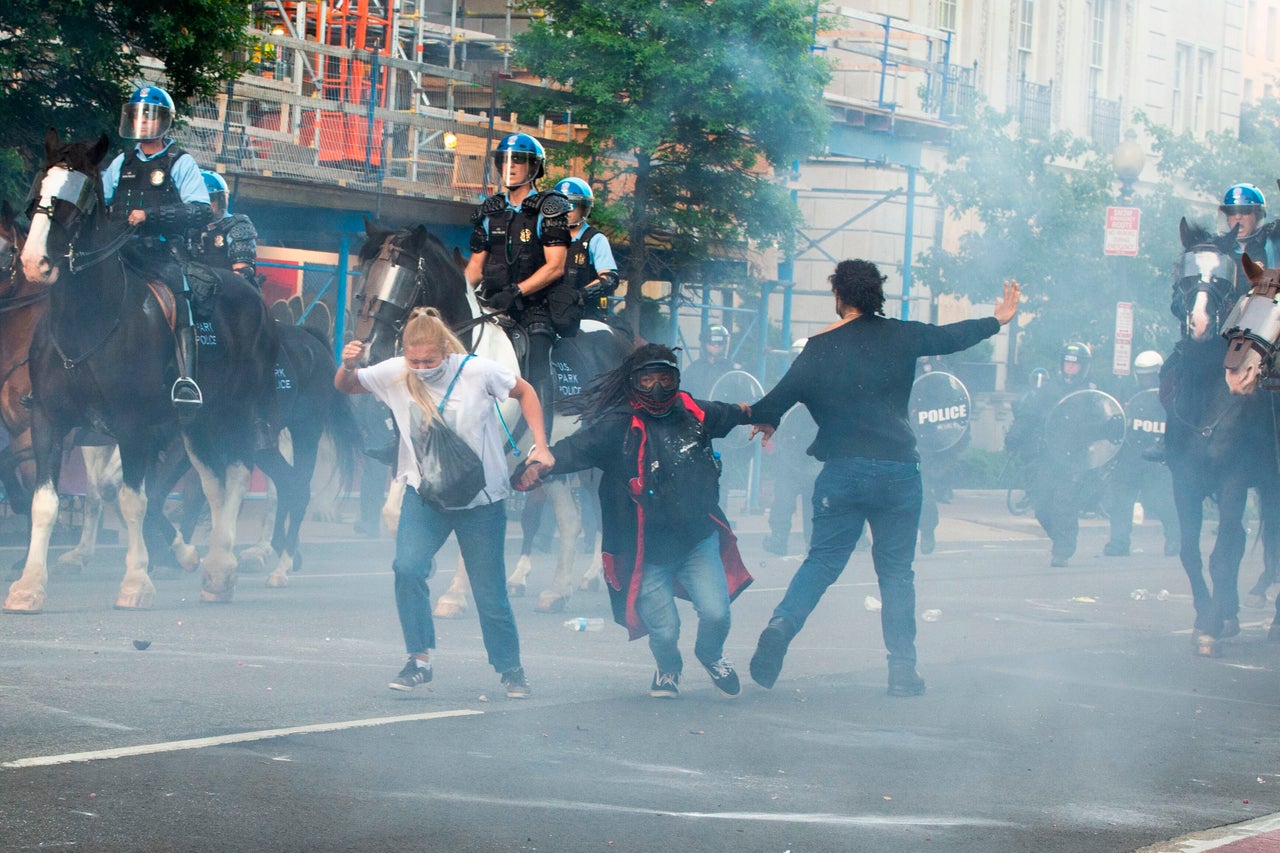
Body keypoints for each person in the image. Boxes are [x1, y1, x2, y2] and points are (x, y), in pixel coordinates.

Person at [746, 260, 1020, 697]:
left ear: (839, 295)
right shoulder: (902, 335)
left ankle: (782, 624)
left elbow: (779, 397)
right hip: (897, 472)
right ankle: (902, 670)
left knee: (821, 563)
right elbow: (951, 337)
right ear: (877, 294)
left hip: (843, 472)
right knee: (895, 574)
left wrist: (766, 419)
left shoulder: (818, 347)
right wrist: (997, 320)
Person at [335, 307, 554, 697]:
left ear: (446, 352)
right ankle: (418, 660)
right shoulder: (395, 371)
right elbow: (347, 386)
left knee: (489, 592)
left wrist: (541, 445)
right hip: (426, 496)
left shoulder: (476, 371)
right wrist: (347, 365)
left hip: (481, 500)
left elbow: (525, 391)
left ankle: (511, 669)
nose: (421, 368)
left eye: (429, 361)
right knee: (407, 568)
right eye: (414, 361)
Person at [515, 344, 754, 699]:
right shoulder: (616, 426)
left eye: (665, 378)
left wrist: (762, 414)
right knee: (665, 630)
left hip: (695, 539)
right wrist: (534, 466)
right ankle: (668, 669)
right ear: (632, 383)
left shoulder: (694, 411)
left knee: (718, 613)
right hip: (645, 549)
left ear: (676, 379)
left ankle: (711, 654)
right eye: (647, 379)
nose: (657, 387)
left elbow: (734, 412)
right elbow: (572, 449)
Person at [102, 85, 211, 410]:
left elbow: (200, 209)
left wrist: (150, 215)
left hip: (161, 253)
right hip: (120, 252)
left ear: (164, 122)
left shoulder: (181, 161)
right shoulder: (121, 162)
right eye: (138, 116)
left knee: (180, 293)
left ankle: (186, 379)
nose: (144, 123)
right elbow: (102, 200)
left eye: (150, 118)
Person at [466, 133, 573, 432]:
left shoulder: (550, 208)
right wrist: (461, 295)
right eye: (505, 160)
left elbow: (555, 267)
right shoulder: (489, 211)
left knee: (537, 356)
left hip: (533, 307)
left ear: (534, 167)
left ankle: (541, 443)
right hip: (491, 303)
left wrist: (517, 291)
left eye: (518, 161)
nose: (509, 167)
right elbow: (475, 267)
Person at [1003, 341, 1099, 567]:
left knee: (1064, 503)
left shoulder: (1091, 394)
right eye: (1067, 363)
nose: (1070, 368)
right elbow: (1027, 416)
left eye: (1075, 365)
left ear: (1083, 367)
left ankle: (1063, 549)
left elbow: (1104, 424)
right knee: (1041, 503)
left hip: (1075, 457)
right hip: (1049, 455)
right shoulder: (1048, 389)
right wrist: (1014, 437)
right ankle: (1060, 538)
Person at [1104, 350, 1179, 558]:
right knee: (1121, 502)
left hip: (1157, 459)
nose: (1146, 379)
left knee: (1162, 501)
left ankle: (1174, 538)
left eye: (1150, 375)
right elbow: (1116, 421)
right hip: (1130, 457)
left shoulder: (1170, 397)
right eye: (1142, 375)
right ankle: (1119, 542)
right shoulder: (1127, 394)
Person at [763, 338, 819, 556]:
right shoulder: (781, 387)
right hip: (788, 455)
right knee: (783, 502)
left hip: (813, 455)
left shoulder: (822, 389)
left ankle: (812, 544)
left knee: (813, 504)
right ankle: (779, 539)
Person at [553, 177, 622, 325]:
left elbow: (609, 280)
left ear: (584, 208)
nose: (565, 211)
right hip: (550, 310)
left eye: (571, 205)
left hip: (585, 314)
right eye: (560, 205)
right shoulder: (547, 238)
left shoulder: (595, 239)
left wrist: (578, 295)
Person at [194, 170, 260, 286]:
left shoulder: (238, 227)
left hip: (229, 292)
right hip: (197, 290)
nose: (207, 204)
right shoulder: (191, 230)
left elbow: (241, 275)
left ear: (221, 199)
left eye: (211, 199)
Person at [681, 324, 734, 399]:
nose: (716, 346)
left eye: (720, 343)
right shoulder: (694, 368)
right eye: (712, 342)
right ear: (704, 343)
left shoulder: (731, 368)